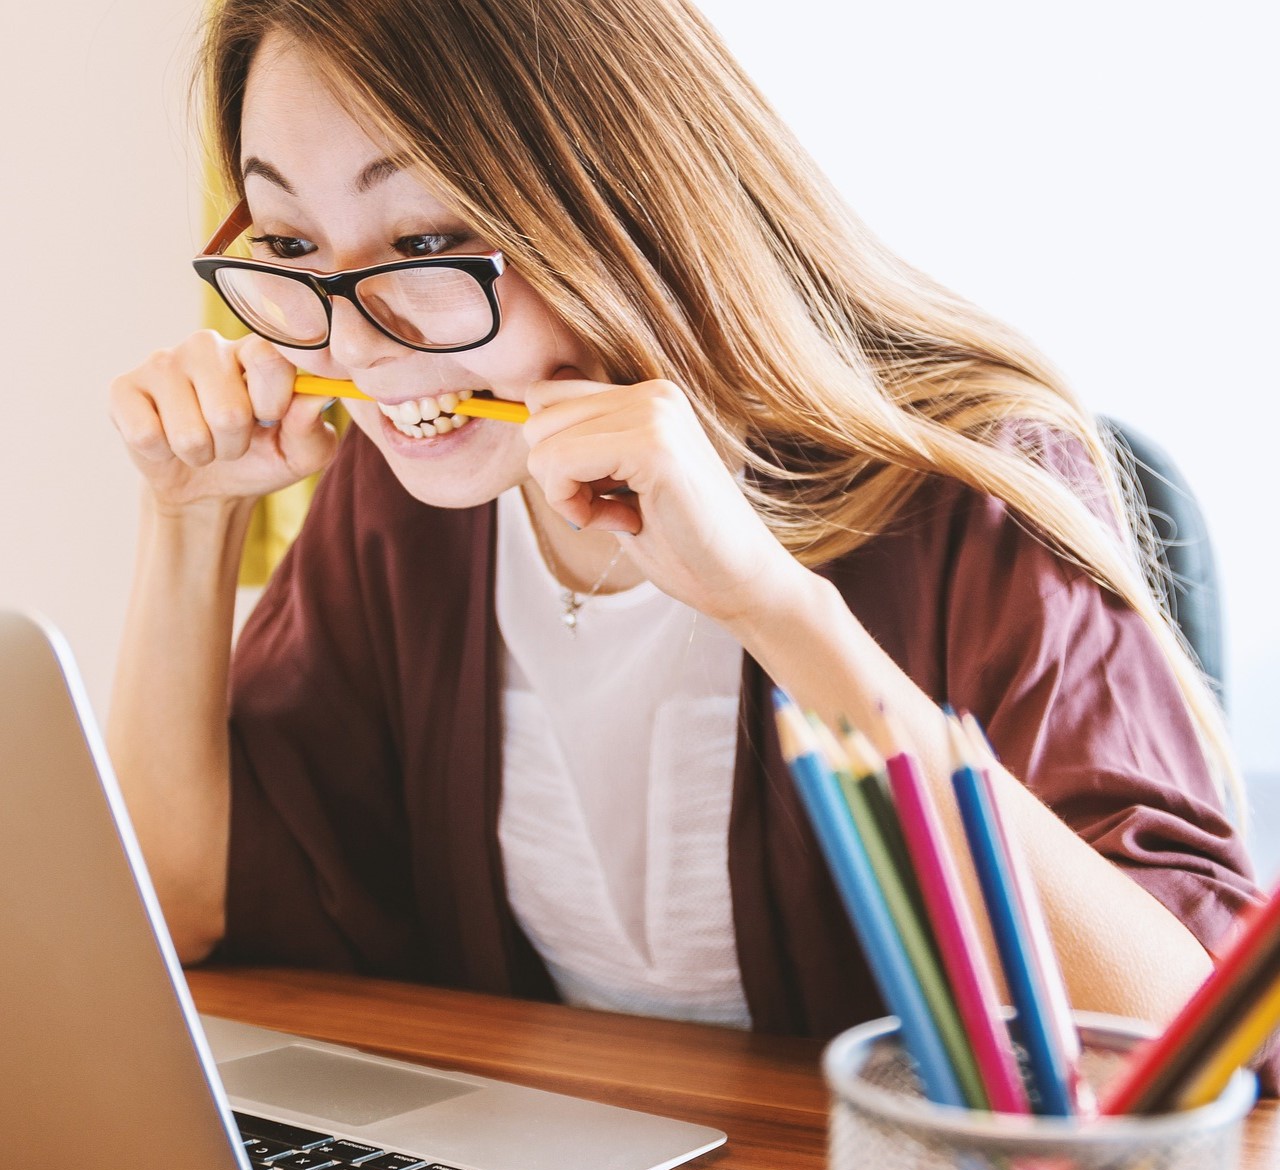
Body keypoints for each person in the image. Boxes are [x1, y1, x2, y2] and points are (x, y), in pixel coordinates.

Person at [108, 0, 1270, 1082]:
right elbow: (174, 907)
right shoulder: (403, 501)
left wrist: (773, 605)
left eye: (423, 240)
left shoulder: (966, 487)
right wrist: (190, 518)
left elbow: (1183, 1040)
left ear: (615, 199)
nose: (359, 346)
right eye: (294, 245)